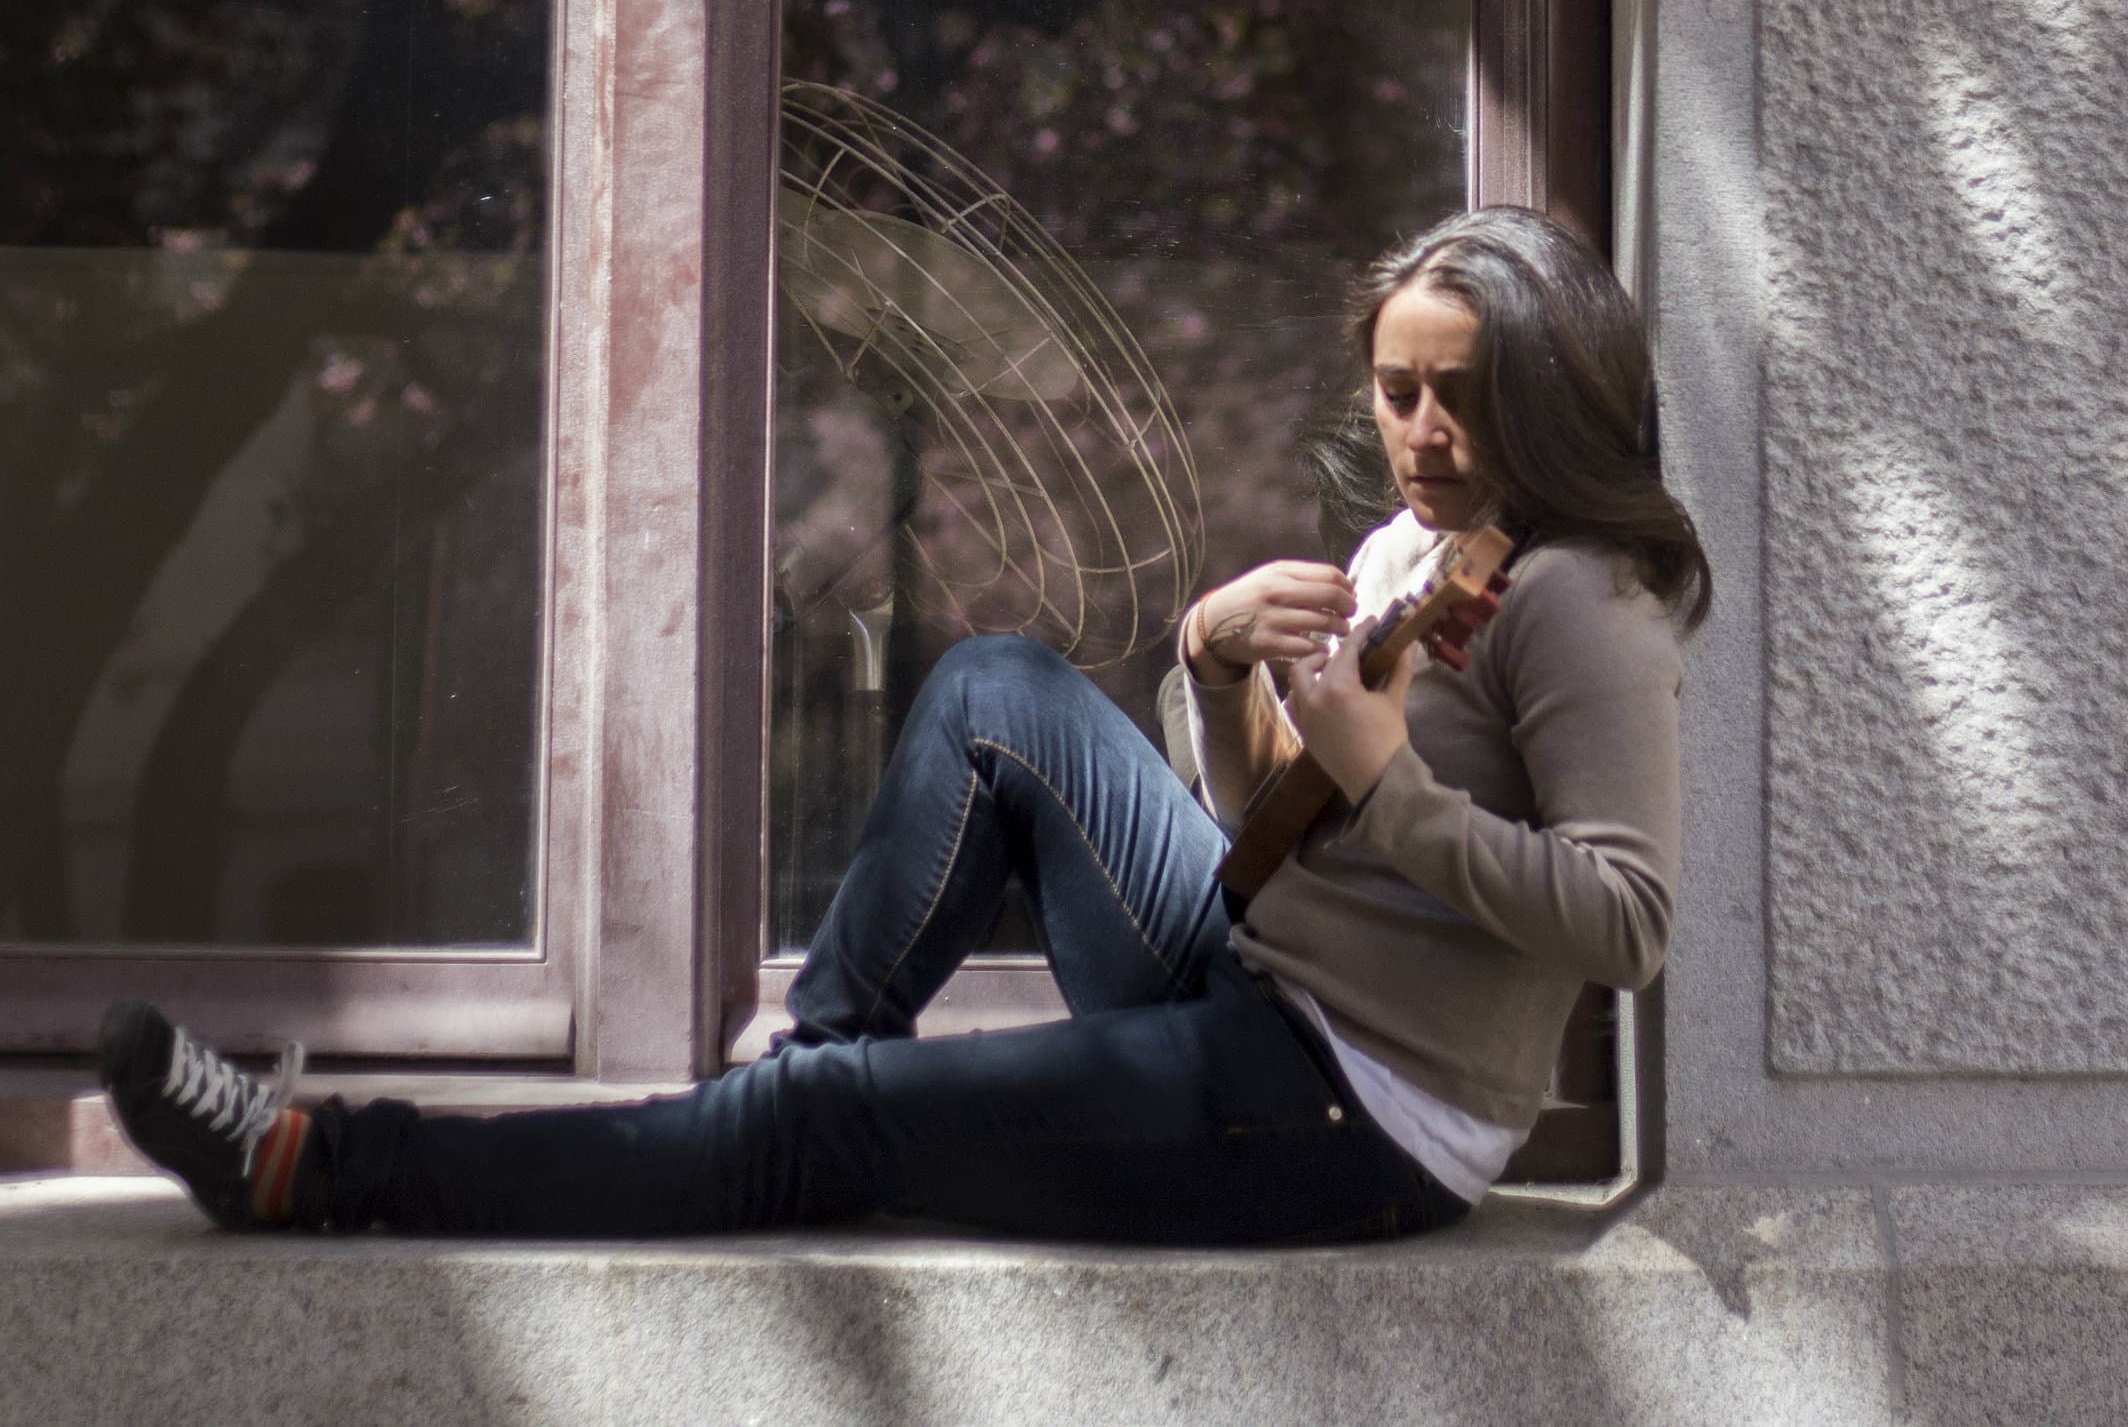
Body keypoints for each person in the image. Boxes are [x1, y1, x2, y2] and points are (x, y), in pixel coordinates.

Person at [97, 205, 1713, 1244]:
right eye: (1394, 388)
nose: (1421, 434)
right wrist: (1219, 676)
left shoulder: (1582, 596)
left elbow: (1629, 922)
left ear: (1552, 385)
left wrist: (1393, 783)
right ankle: (791, 1110)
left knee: (825, 1121)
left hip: (1360, 1105)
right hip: (1265, 974)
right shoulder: (1407, 556)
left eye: (1462, 391)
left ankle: (318, 1163)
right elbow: (1269, 850)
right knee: (997, 687)